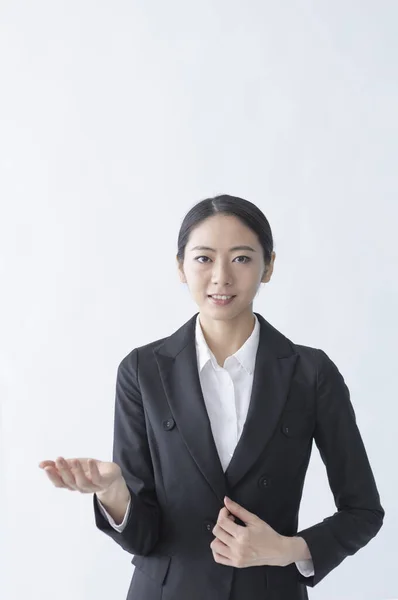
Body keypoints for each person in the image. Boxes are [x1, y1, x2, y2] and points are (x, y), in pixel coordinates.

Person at [39, 194, 384, 600]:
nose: (221, 277)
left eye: (241, 258)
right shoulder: (142, 371)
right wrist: (114, 493)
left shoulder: (311, 374)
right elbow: (143, 538)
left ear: (268, 266)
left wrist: (288, 550)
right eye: (204, 258)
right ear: (180, 266)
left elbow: (363, 512)